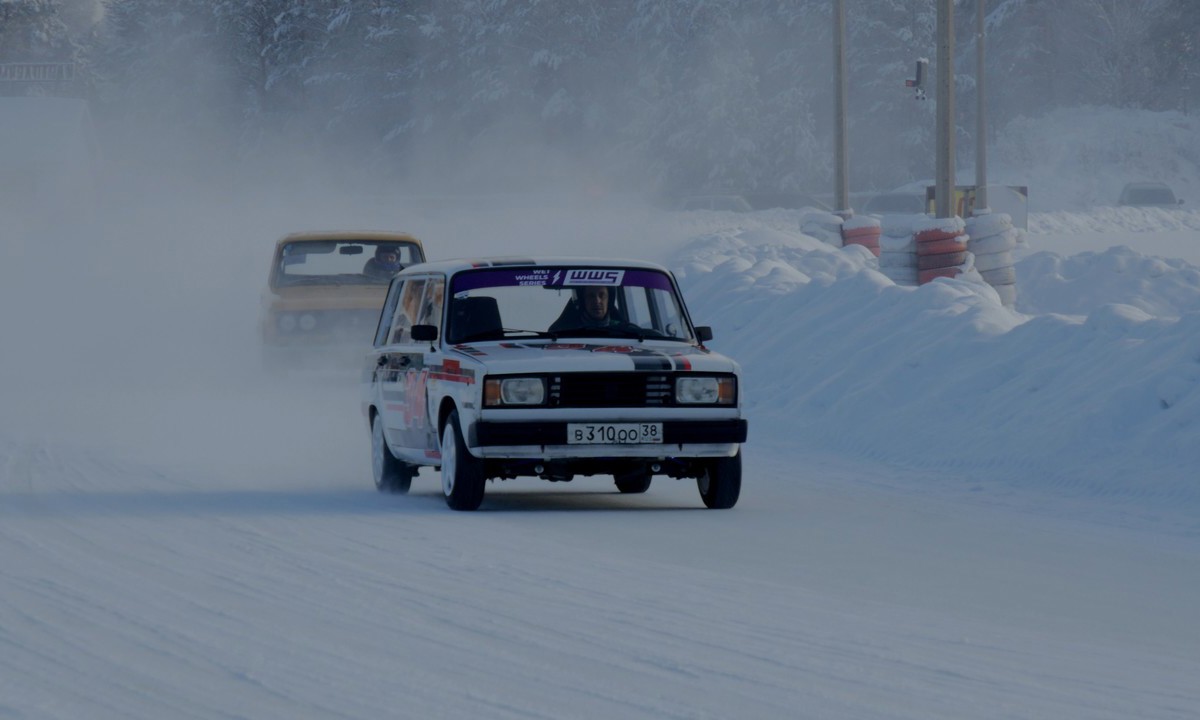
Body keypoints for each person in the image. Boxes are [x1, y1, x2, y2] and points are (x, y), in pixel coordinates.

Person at [549, 286, 624, 332]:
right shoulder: (563, 333)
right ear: (582, 301)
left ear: (609, 300)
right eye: (591, 296)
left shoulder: (626, 331)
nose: (597, 301)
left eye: (602, 295)